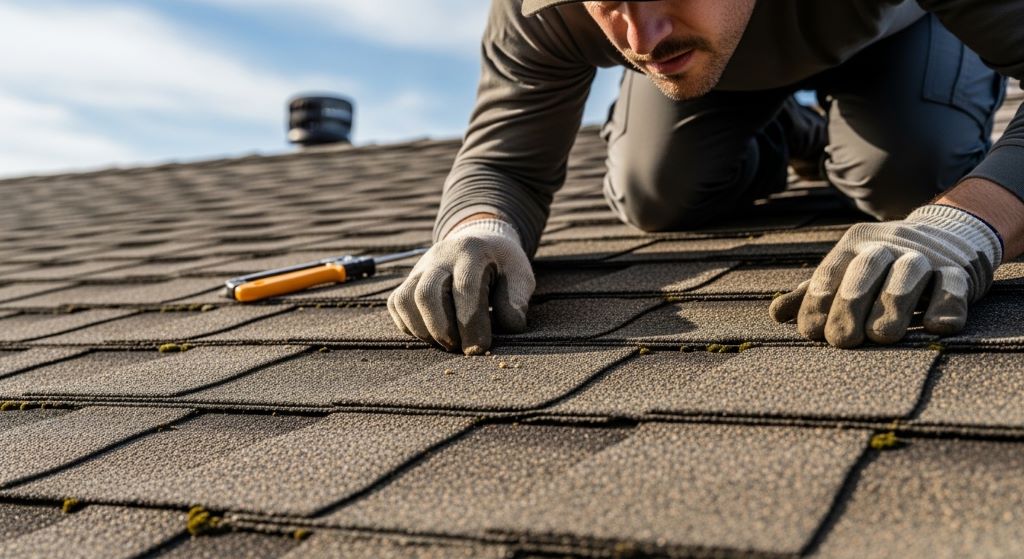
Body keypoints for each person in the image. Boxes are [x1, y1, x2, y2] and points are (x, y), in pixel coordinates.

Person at [388, 0, 1024, 355]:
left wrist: (967, 223)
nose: (639, 37)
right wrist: (478, 227)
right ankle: (790, 135)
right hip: (714, 60)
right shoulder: (545, 9)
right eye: (610, 3)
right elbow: (503, 161)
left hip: (901, 30)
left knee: (909, 178)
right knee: (654, 193)